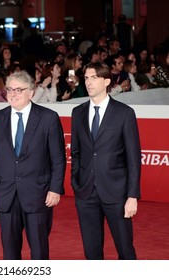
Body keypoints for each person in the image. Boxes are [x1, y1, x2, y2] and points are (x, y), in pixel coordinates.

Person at [0, 71, 66, 259]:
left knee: (38, 251)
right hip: (6, 194)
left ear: (31, 92)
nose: (12, 94)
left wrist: (55, 189)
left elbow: (58, 158)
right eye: (9, 89)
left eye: (18, 90)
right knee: (10, 252)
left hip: (38, 194)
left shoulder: (48, 118)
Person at [71, 62, 141, 260]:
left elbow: (133, 158)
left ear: (107, 81)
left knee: (125, 250)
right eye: (86, 78)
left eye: (94, 77)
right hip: (85, 192)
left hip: (117, 193)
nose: (89, 82)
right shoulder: (78, 112)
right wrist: (76, 181)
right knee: (91, 252)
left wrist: (132, 195)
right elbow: (75, 152)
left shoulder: (124, 113)